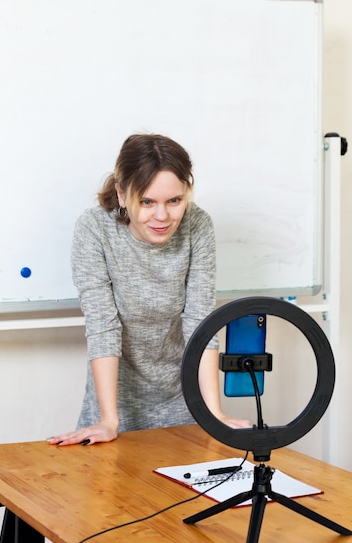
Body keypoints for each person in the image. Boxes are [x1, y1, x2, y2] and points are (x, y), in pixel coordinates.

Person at [48, 134, 250, 447]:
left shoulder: (197, 225)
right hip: (113, 406)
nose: (162, 216)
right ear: (121, 193)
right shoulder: (95, 229)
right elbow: (103, 326)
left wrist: (213, 413)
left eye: (174, 201)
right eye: (146, 202)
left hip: (184, 403)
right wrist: (108, 421)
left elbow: (200, 320)